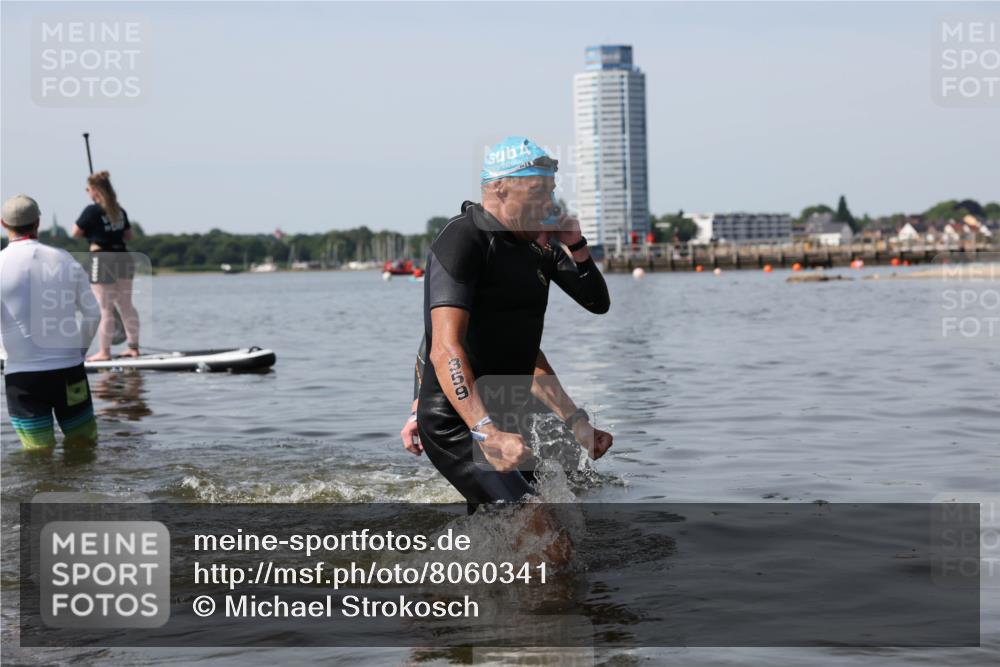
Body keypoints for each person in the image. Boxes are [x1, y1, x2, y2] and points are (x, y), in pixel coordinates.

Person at [415, 136, 613, 513]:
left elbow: (595, 304)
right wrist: (485, 431)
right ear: (500, 188)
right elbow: (443, 347)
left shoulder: (539, 250)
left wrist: (577, 424)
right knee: (537, 525)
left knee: (540, 521)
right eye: (539, 190)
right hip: (458, 421)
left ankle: (470, 568)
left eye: (552, 191)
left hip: (506, 412)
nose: (550, 204)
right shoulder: (464, 238)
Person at [1, 195, 100, 451]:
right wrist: (79, 352)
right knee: (84, 446)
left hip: (23, 379)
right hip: (70, 372)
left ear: (3, 223)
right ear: (38, 223)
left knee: (38, 455)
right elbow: (93, 314)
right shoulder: (64, 259)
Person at [72, 171, 140, 361]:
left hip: (102, 258)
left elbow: (75, 232)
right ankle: (133, 348)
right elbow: (129, 236)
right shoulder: (119, 210)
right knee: (126, 305)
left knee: (105, 308)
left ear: (94, 190)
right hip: (123, 257)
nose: (87, 192)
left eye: (88, 189)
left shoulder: (92, 210)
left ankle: (105, 352)